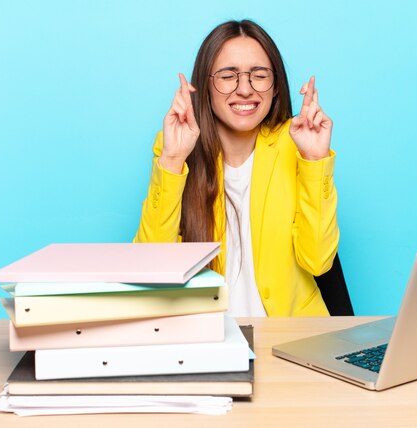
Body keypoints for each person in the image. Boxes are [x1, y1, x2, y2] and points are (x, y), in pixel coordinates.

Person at [134, 19, 339, 316]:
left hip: (291, 340)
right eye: (228, 76)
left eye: (259, 75)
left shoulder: (297, 144)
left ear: (276, 86)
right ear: (204, 85)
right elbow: (151, 268)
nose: (245, 89)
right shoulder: (174, 146)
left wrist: (315, 161)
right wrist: (173, 160)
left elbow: (318, 260)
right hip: (204, 341)